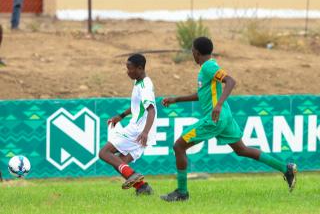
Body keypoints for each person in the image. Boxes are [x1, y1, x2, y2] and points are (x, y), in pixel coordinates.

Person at [160, 36, 297, 202]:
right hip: (224, 117)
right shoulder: (208, 67)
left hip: (215, 118)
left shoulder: (209, 67)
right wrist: (176, 99)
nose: (192, 55)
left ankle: (182, 193)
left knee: (178, 146)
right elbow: (202, 95)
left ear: (195, 52)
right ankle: (286, 168)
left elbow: (230, 81)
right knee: (242, 149)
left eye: (192, 52)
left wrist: (218, 105)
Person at [99, 53, 156, 195]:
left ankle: (133, 176)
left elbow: (151, 110)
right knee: (120, 162)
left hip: (138, 130)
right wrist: (121, 116)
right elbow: (138, 106)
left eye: (130, 69)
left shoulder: (145, 86)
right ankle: (143, 188)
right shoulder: (139, 82)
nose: (127, 72)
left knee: (104, 153)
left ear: (140, 68)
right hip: (142, 130)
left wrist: (145, 132)